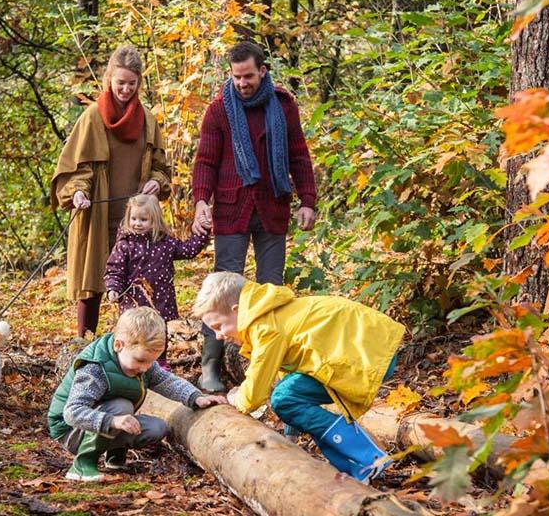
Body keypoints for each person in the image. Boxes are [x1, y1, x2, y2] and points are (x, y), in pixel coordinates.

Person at [192, 272, 404, 482]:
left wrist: (236, 398)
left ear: (236, 311)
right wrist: (290, 433)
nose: (219, 336)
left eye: (219, 326)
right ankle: (356, 469)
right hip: (368, 350)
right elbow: (292, 373)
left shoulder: (265, 327)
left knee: (283, 397)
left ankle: (368, 458)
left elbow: (256, 389)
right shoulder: (272, 314)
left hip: (366, 353)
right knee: (288, 396)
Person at [191, 41, 317, 392]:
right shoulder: (219, 110)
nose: (242, 83)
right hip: (231, 208)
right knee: (222, 287)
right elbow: (205, 160)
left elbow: (298, 155)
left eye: (248, 76)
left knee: (271, 289)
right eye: (236, 77)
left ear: (263, 71)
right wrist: (201, 201)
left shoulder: (283, 106)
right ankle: (210, 366)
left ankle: (267, 365)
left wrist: (308, 199)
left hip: (273, 206)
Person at [51, 45, 171, 338]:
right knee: (91, 282)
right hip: (97, 213)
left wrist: (157, 181)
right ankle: (84, 342)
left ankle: (135, 344)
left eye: (132, 83)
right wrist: (78, 193)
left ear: (139, 83)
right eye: (120, 82)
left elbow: (161, 167)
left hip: (136, 219)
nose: (125, 89)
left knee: (138, 283)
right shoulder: (92, 117)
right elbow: (74, 169)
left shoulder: (147, 120)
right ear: (109, 79)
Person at [47, 306, 227, 482]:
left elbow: (166, 380)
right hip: (70, 430)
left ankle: (115, 457)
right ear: (119, 345)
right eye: (140, 361)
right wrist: (113, 421)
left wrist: (196, 397)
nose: (145, 368)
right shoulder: (95, 368)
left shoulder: (141, 363)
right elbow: (72, 412)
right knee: (121, 407)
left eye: (151, 362)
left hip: (102, 420)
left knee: (157, 428)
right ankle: (82, 464)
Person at [104, 194, 210, 370]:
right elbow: (115, 269)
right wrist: (113, 288)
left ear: (155, 220)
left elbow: (188, 250)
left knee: (158, 331)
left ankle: (159, 362)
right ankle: (130, 361)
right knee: (134, 331)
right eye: (134, 218)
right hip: (134, 300)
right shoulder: (125, 245)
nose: (137, 223)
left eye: (143, 219)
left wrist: (202, 232)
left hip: (161, 298)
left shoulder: (165, 243)